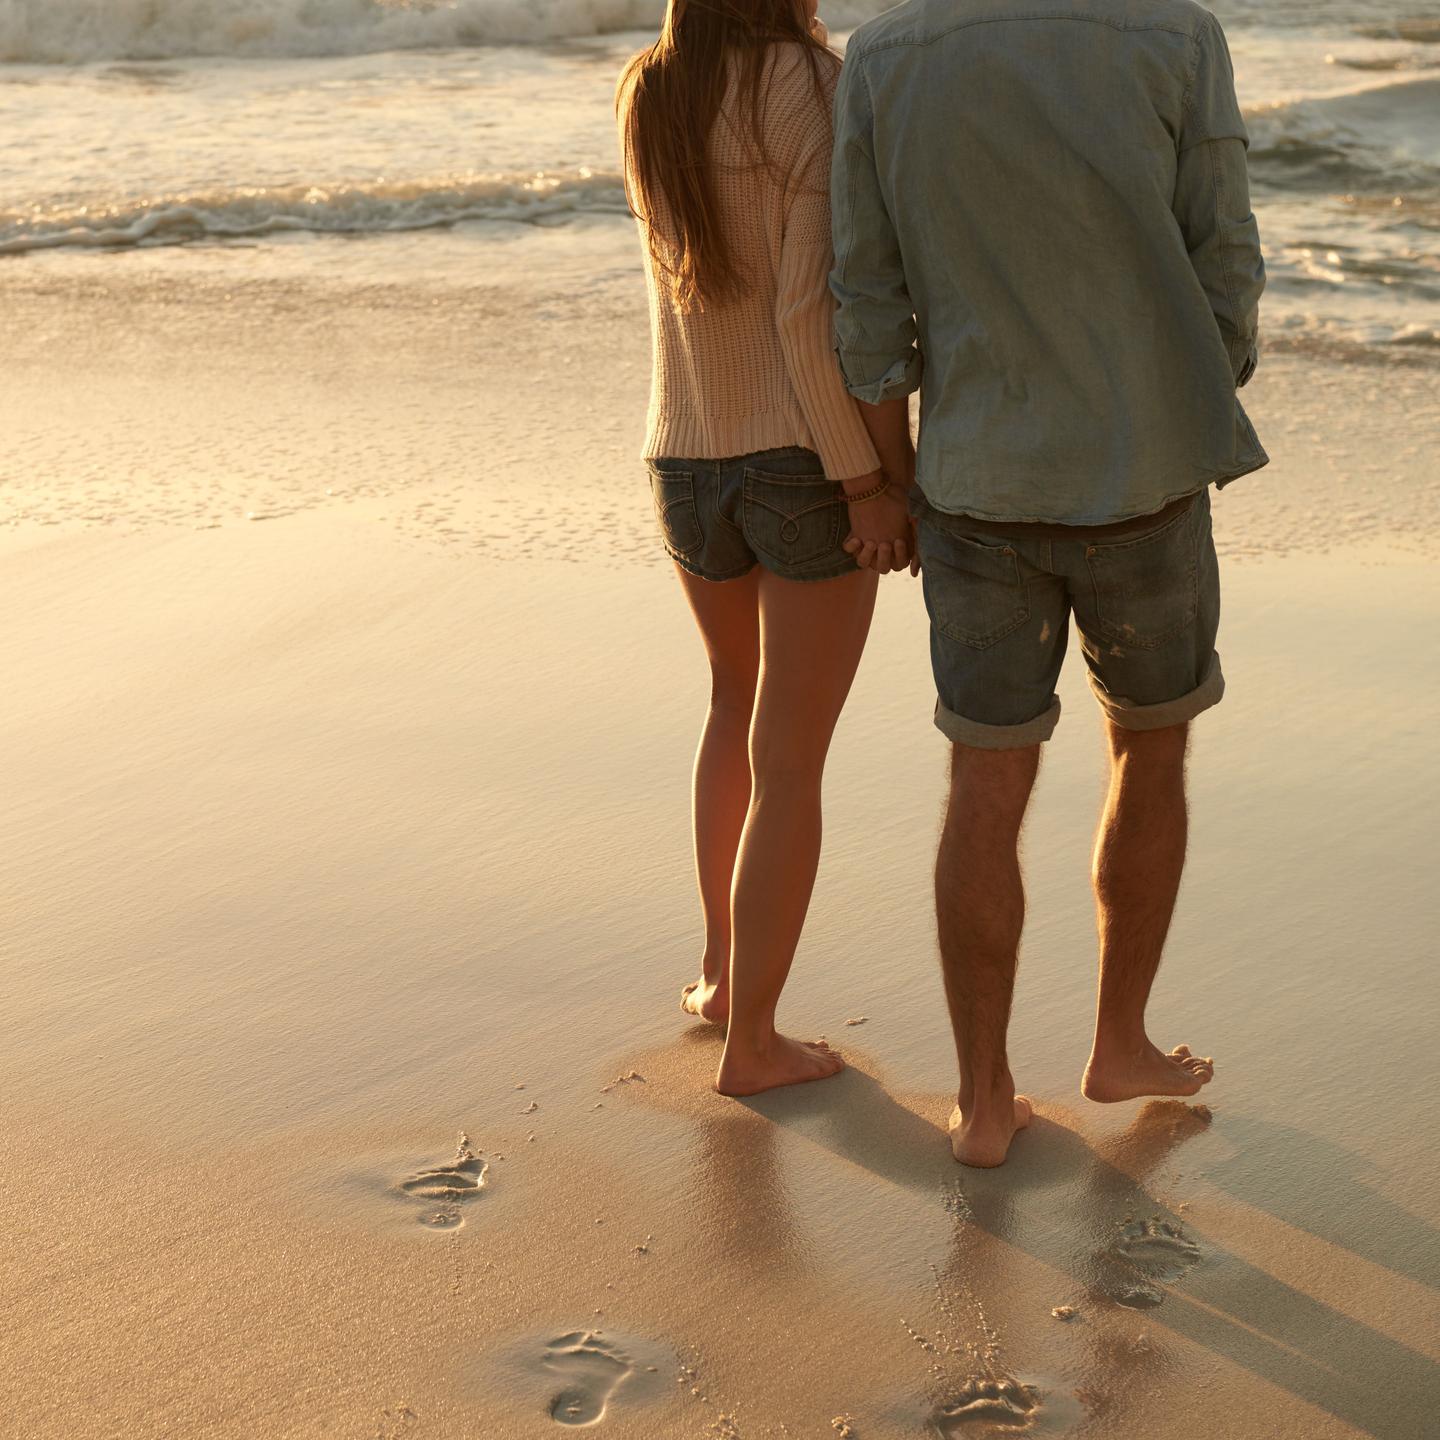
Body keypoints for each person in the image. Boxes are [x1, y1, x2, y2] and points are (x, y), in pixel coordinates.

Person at [831, 0, 1266, 1164]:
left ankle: (981, 1101)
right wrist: (1185, 387)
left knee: (985, 778)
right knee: (1152, 745)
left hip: (975, 482)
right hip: (1149, 477)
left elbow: (865, 303)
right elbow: (1224, 255)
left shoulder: (884, 55)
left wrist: (896, 472)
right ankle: (1119, 1041)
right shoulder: (1174, 35)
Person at [617, 0, 914, 1096]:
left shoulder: (651, 84)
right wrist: (869, 480)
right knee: (790, 760)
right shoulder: (812, 83)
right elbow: (806, 312)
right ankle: (754, 1043)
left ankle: (718, 978)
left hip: (681, 455)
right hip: (798, 459)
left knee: (729, 703)